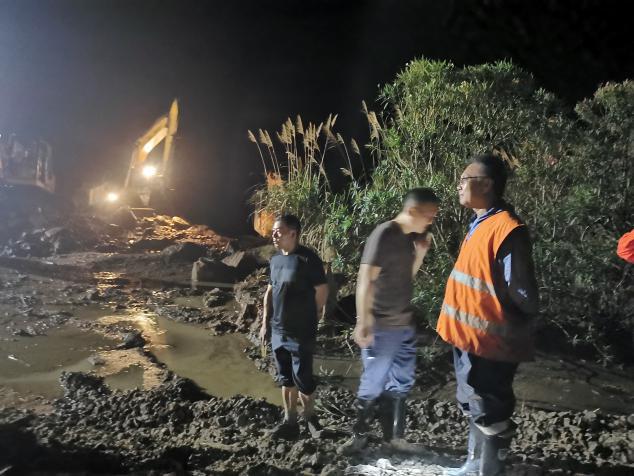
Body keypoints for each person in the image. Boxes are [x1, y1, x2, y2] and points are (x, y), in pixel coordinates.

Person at [438, 154, 538, 476]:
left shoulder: (507, 229)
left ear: (488, 184)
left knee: (490, 407)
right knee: (475, 403)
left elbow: (522, 293)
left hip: (490, 342)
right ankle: (473, 465)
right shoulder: (482, 223)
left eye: (465, 179)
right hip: (470, 339)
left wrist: (514, 325)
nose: (459, 185)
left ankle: (488, 470)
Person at [339, 188, 440, 454]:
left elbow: (405, 278)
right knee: (372, 382)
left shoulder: (409, 239)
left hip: (403, 324)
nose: (431, 220)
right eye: (428, 215)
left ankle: (394, 438)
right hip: (381, 325)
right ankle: (359, 437)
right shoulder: (384, 233)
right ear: (412, 211)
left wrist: (419, 255)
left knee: (401, 382)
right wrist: (363, 321)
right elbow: (365, 280)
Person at [260, 214, 329, 439]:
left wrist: (314, 317)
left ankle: (311, 420)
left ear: (293, 233)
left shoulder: (308, 259)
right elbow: (270, 292)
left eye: (278, 231)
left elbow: (321, 291)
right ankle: (289, 421)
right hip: (278, 331)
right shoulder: (275, 260)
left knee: (304, 380)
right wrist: (264, 324)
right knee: (286, 378)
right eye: (273, 231)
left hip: (301, 332)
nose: (274, 234)